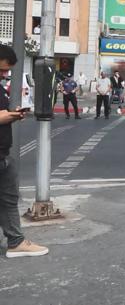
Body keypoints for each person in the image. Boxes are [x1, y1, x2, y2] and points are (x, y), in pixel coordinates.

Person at [0, 45, 48, 258]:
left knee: (9, 200)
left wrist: (11, 113)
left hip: (3, 154)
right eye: (2, 70)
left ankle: (16, 241)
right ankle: (16, 242)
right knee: (8, 199)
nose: (5, 74)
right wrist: (10, 116)